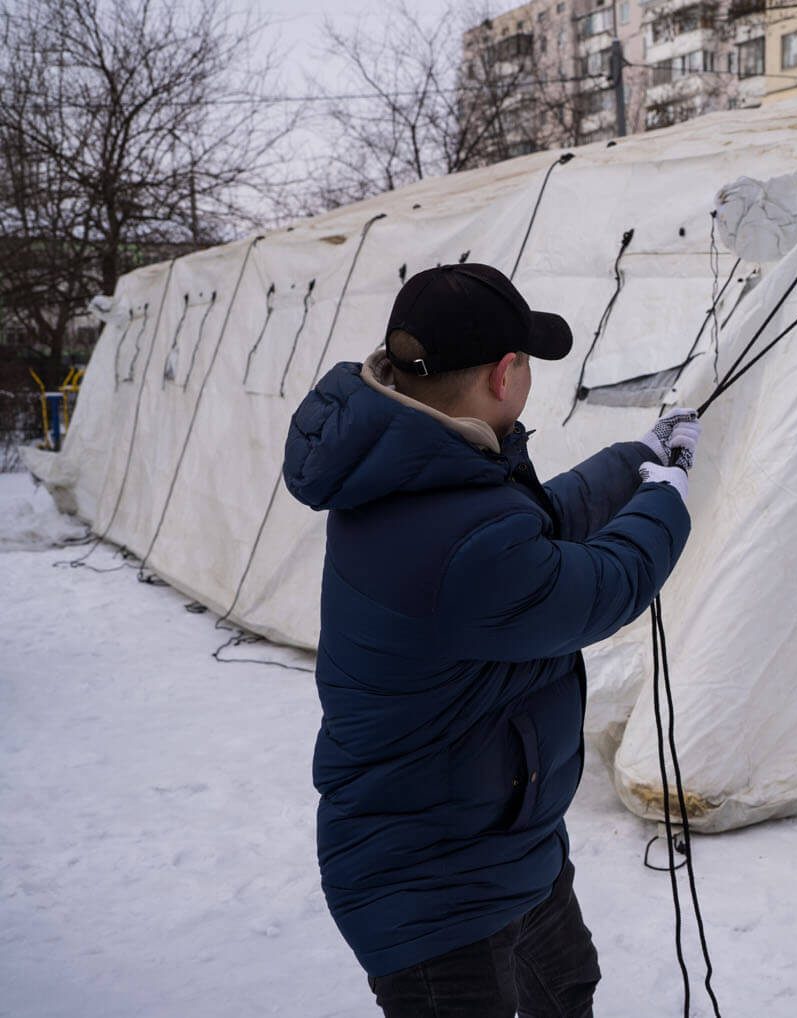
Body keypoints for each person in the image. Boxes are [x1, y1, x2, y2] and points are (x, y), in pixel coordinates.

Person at [282, 263, 700, 1017]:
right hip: (431, 887)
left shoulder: (421, 460)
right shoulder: (454, 529)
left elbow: (532, 526)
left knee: (564, 990)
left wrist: (633, 459)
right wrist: (664, 501)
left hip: (498, 835)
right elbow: (599, 585)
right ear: (504, 374)